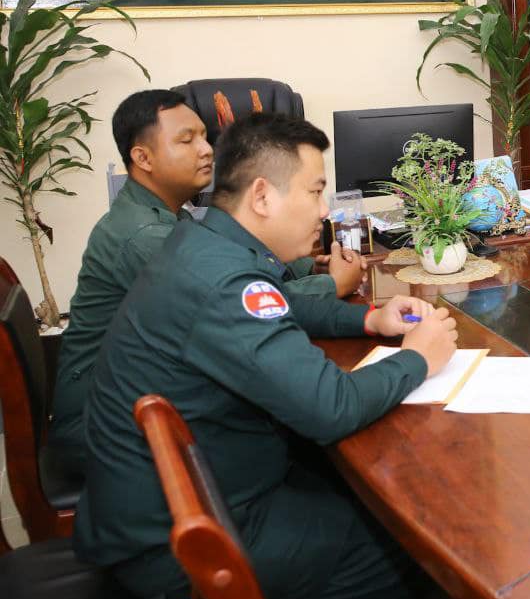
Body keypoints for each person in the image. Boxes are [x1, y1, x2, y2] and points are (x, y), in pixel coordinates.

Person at [73, 113, 458, 599]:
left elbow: (282, 303)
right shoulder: (224, 280)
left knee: (362, 490)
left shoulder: (203, 244)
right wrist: (417, 359)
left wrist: (368, 321)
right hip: (187, 539)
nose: (324, 210)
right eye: (315, 192)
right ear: (261, 197)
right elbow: (330, 407)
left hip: (176, 501)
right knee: (417, 547)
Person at [49, 90, 364, 472]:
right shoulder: (144, 236)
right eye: (187, 140)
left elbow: (246, 266)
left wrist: (304, 265)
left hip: (144, 401)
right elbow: (243, 297)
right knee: (305, 426)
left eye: (204, 136)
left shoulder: (167, 215)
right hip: (105, 427)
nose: (206, 150)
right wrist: (334, 285)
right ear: (143, 158)